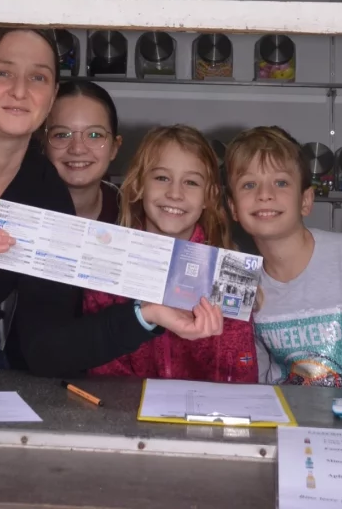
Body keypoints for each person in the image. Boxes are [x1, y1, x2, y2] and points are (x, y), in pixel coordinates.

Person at [0, 27, 223, 371]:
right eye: (3, 73)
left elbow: (44, 347)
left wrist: (146, 315)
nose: (20, 90)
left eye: (38, 78)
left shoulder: (47, 193)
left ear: (52, 96)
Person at [225, 126, 342, 389]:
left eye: (281, 182)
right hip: (285, 413)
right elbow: (253, 370)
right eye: (249, 185)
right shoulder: (239, 279)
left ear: (306, 200)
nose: (264, 194)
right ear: (233, 208)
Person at [83, 125, 258, 382]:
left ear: (209, 196)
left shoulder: (230, 275)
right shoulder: (108, 262)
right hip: (124, 406)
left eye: (191, 182)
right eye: (162, 178)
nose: (175, 193)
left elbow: (241, 377)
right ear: (139, 185)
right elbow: (101, 372)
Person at [42, 79, 121, 222]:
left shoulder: (134, 215)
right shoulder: (13, 205)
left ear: (114, 148)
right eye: (62, 135)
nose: (77, 149)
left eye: (94, 135)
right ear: (43, 145)